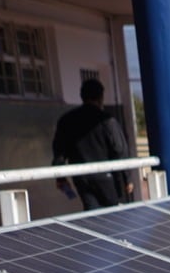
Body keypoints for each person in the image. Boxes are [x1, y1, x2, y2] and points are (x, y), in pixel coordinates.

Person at [52, 78, 134, 210]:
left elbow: (59, 151)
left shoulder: (66, 120)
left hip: (81, 177)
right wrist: (127, 178)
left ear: (82, 96)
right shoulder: (107, 120)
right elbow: (120, 149)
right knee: (113, 214)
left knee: (92, 214)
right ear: (101, 97)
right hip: (107, 178)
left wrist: (60, 177)